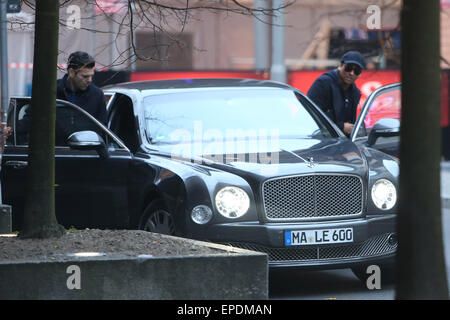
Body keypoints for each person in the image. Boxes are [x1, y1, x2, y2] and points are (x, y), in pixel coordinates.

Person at [307, 51, 366, 136]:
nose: (351, 73)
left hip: (342, 141)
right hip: (320, 139)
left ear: (360, 74)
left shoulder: (355, 92)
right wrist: (341, 127)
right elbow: (311, 114)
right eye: (348, 68)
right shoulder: (323, 83)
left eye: (356, 71)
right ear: (340, 66)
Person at [57, 51, 107, 124]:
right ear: (71, 72)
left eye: (91, 76)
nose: (90, 80)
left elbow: (102, 130)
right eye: (85, 76)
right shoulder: (53, 91)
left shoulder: (97, 95)